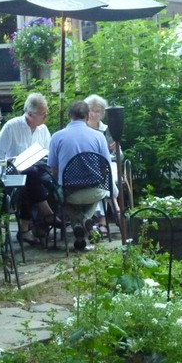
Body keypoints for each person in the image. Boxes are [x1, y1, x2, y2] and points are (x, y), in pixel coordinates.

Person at [0, 92, 60, 246]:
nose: (46, 117)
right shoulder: (12, 126)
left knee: (37, 178)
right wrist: (12, 161)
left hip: (37, 173)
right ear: (30, 114)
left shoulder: (43, 129)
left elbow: (48, 154)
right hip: (13, 174)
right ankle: (46, 215)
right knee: (28, 176)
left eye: (46, 113)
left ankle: (28, 229)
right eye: (42, 113)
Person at [47, 100, 113, 251]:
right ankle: (86, 220)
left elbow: (54, 169)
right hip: (94, 191)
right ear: (88, 116)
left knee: (62, 194)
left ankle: (79, 225)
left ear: (69, 115)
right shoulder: (99, 137)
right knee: (96, 191)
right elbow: (106, 166)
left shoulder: (57, 137)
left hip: (70, 192)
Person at [84, 94, 122, 238]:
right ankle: (114, 210)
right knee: (101, 178)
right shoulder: (82, 129)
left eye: (97, 111)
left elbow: (120, 157)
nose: (93, 114)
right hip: (89, 168)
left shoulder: (107, 130)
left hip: (109, 165)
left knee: (104, 175)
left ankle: (102, 220)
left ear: (103, 114)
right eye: (90, 110)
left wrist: (117, 149)